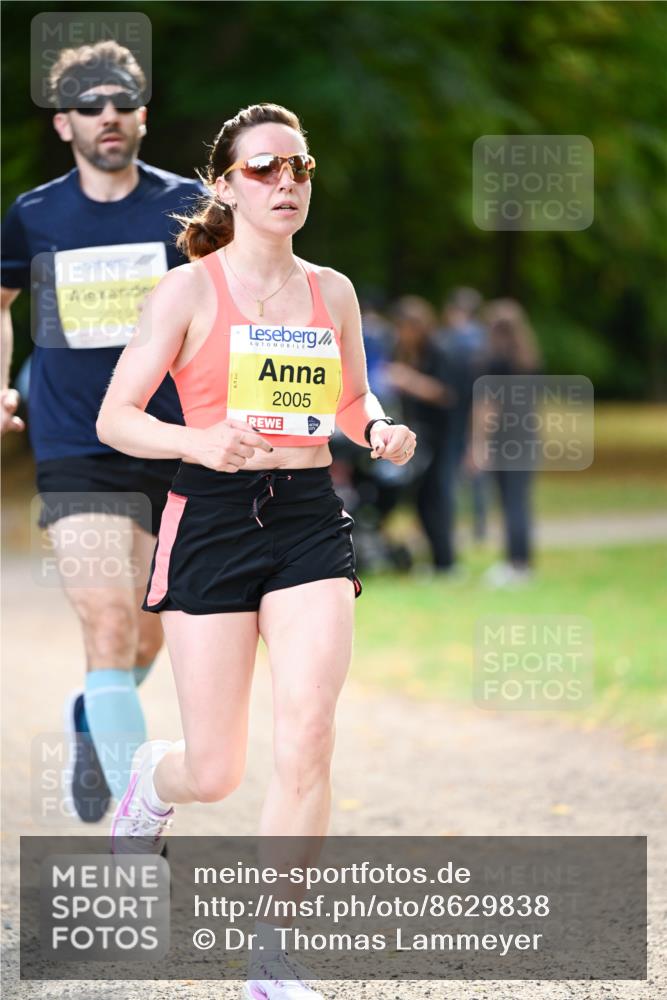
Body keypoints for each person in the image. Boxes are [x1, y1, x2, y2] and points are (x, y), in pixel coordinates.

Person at [96, 102, 416, 998]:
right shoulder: (188, 291)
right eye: (265, 168)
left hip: (309, 516)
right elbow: (114, 417)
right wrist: (196, 442)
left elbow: (352, 404)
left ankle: (272, 959)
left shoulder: (333, 291)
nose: (285, 183)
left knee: (308, 735)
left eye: (298, 168)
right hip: (212, 519)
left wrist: (381, 429)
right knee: (216, 767)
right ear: (225, 186)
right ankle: (148, 785)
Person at [0, 40, 203, 822]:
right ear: (64, 125)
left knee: (148, 641)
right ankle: (136, 817)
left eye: (121, 103)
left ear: (142, 115)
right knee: (110, 622)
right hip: (74, 441)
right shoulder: (34, 215)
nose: (107, 117)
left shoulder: (188, 207)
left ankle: (92, 719)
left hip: (169, 438)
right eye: (89, 107)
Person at [475, 299, 542, 587]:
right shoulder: (531, 360)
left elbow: (489, 407)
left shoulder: (493, 361)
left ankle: (514, 565)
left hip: (503, 438)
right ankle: (523, 562)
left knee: (508, 502)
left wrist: (480, 442)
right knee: (521, 502)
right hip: (527, 435)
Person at [385, 295, 455, 570]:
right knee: (420, 499)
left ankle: (445, 561)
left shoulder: (439, 352)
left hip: (439, 436)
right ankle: (434, 559)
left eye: (405, 327)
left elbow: (446, 393)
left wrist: (408, 380)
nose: (401, 334)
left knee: (436, 497)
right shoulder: (401, 351)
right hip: (415, 434)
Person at [439, 286, 489, 546]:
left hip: (453, 414)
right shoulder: (485, 340)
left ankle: (449, 525)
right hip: (478, 408)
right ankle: (480, 525)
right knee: (477, 469)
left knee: (450, 474)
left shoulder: (447, 340)